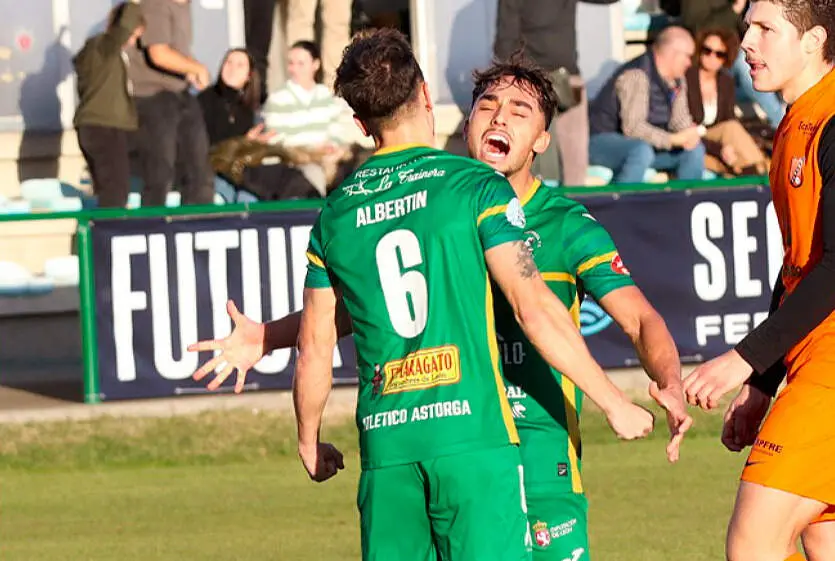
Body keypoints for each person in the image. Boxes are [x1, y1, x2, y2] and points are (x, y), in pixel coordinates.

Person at [188, 50, 685, 561]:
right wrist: (267, 336)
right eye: (487, 105)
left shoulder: (565, 224)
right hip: (475, 444)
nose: (499, 117)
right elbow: (369, 308)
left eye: (519, 111)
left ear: (542, 139)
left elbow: (639, 319)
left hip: (538, 458)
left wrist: (668, 381)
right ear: (453, 115)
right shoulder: (462, 195)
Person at [683, 2, 835, 560]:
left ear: (814, 40)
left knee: (753, 543)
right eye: (748, 25)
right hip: (812, 362)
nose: (747, 40)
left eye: (767, 28)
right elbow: (801, 265)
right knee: (823, 539)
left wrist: (743, 359)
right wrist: (764, 382)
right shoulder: (797, 119)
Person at [493, 0, 621, 186]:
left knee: (575, 159)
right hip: (532, 83)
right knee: (537, 160)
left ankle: (573, 201)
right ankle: (535, 201)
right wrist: (513, 84)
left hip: (566, 80)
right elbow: (505, 43)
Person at [587, 26, 706, 184]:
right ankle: (623, 198)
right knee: (640, 151)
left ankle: (687, 198)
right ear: (672, 53)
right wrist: (672, 139)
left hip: (650, 144)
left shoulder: (678, 80)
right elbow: (633, 128)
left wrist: (689, 135)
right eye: (688, 56)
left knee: (694, 151)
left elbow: (679, 120)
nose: (690, 63)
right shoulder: (636, 75)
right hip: (603, 141)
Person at [197, 48, 320, 201]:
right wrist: (246, 141)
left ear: (249, 75)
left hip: (244, 172)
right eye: (229, 62)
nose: (232, 68)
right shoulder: (205, 101)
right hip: (214, 170)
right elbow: (207, 148)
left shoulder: (250, 109)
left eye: (240, 65)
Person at [127, 0, 214, 206]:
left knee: (199, 168)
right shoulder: (156, 5)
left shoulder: (183, 6)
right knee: (160, 171)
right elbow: (158, 53)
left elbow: (179, 52)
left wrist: (190, 69)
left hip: (180, 92)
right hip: (153, 96)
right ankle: (153, 221)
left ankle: (199, 219)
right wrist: (197, 69)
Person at [72, 2, 145, 208]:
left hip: (97, 127)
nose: (132, 43)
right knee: (115, 188)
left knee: (108, 186)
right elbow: (124, 27)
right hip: (103, 128)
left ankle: (105, 223)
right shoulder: (103, 47)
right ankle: (110, 226)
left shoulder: (106, 58)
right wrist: (134, 4)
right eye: (133, 37)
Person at [262, 40, 350, 196]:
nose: (294, 69)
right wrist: (313, 150)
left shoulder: (326, 95)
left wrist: (332, 148)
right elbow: (277, 141)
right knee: (313, 175)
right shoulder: (278, 99)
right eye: (291, 63)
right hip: (297, 162)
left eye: (300, 63)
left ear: (315, 65)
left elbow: (338, 130)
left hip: (331, 159)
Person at [685, 27, 769, 176]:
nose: (712, 56)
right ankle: (759, 170)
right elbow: (684, 126)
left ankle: (753, 171)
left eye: (719, 54)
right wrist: (720, 148)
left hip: (718, 137)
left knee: (731, 135)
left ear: (726, 57)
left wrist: (726, 147)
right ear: (700, 50)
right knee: (728, 133)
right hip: (693, 137)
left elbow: (728, 117)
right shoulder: (687, 78)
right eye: (707, 50)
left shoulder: (726, 81)